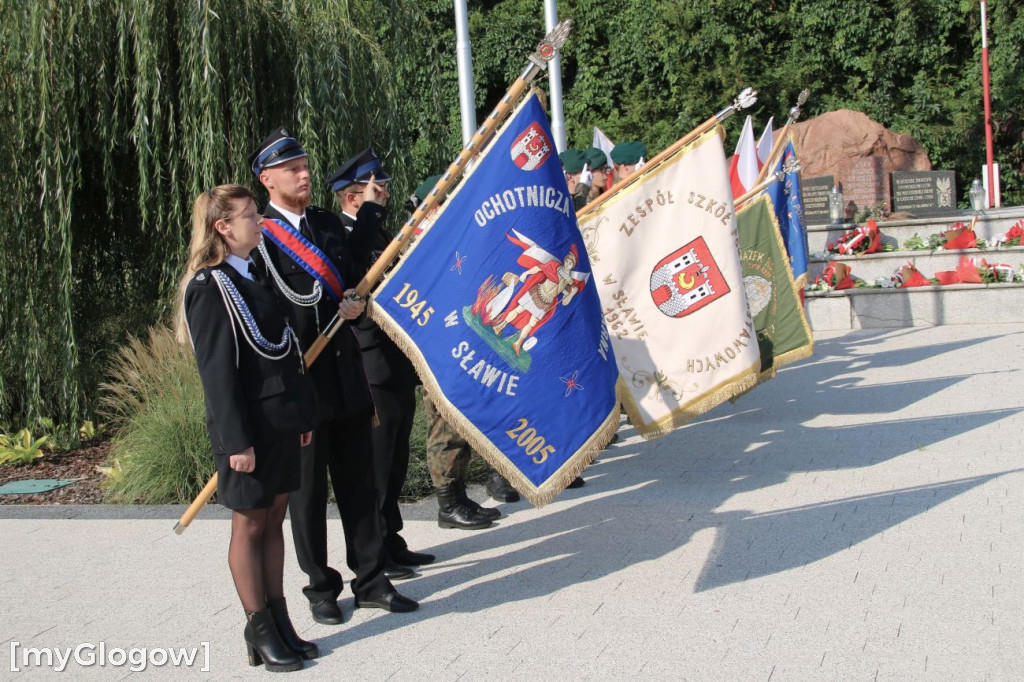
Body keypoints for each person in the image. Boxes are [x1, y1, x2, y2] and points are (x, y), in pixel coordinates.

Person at [249, 127, 418, 622]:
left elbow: (352, 268)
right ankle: (321, 588)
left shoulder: (324, 225)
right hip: (303, 383)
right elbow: (265, 312)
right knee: (307, 494)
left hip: (347, 376)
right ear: (267, 180)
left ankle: (370, 579)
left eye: (304, 167)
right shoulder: (260, 239)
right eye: (291, 170)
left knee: (359, 483)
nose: (303, 175)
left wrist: (370, 211)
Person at [179, 184, 319, 672]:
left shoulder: (252, 272)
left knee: (274, 520)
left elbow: (285, 354)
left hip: (279, 420)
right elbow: (217, 376)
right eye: (250, 215)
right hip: (248, 431)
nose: (258, 222)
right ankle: (257, 624)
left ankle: (279, 619)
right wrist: (236, 442)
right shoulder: (209, 286)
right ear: (223, 227)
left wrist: (300, 417)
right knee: (250, 523)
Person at [326, 149, 435, 578]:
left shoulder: (378, 232)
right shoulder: (341, 234)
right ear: (355, 196)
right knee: (374, 464)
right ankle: (373, 553)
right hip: (369, 362)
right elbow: (352, 275)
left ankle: (392, 539)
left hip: (396, 360)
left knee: (394, 460)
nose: (385, 196)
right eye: (378, 190)